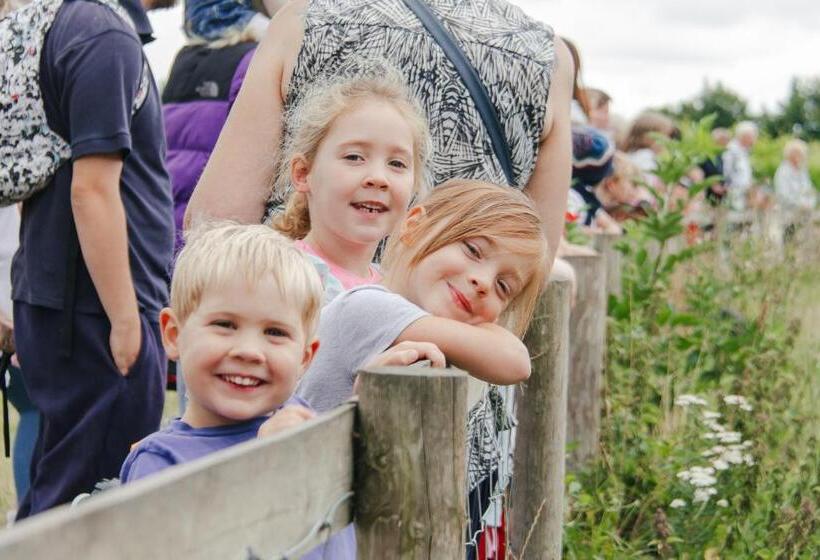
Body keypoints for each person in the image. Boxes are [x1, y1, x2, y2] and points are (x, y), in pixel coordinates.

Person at [186, 0, 573, 274]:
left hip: (303, 334)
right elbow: (534, 253)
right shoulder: (547, 58)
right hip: (457, 349)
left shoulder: (307, 21)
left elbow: (217, 224)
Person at [295, 179, 547, 557]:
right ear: (413, 225)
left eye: (503, 287)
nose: (482, 282)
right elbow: (516, 361)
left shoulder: (404, 313)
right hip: (307, 524)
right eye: (472, 250)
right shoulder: (368, 307)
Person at [11, 0, 176, 519]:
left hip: (69, 302)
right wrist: (126, 319)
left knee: (57, 493)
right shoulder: (104, 35)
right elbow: (92, 191)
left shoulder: (70, 23)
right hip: (99, 311)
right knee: (92, 509)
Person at [120, 223, 354, 557]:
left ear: (304, 357)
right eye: (225, 325)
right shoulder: (161, 464)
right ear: (174, 335)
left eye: (275, 332)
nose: (249, 351)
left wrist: (376, 389)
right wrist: (260, 468)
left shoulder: (304, 421)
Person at [272, 65, 431, 300]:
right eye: (354, 157)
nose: (378, 178)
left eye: (397, 163)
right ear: (304, 173)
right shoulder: (277, 275)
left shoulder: (400, 293)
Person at [774, 138, 817, 239]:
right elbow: (783, 194)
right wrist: (801, 204)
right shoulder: (783, 171)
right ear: (791, 154)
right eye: (800, 154)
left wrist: (810, 203)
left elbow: (810, 190)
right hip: (788, 215)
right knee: (789, 240)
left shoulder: (802, 171)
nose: (802, 157)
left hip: (804, 215)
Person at [722, 121, 758, 212]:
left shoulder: (745, 151)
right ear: (744, 136)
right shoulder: (731, 150)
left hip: (744, 192)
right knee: (735, 215)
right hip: (734, 191)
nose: (754, 140)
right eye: (752, 137)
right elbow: (726, 171)